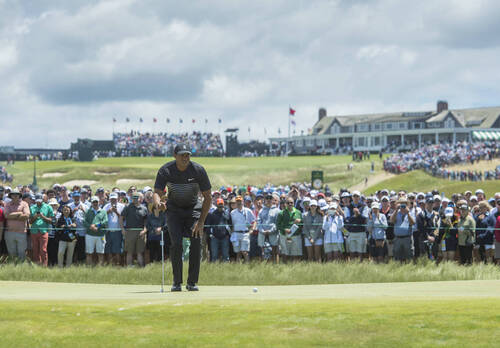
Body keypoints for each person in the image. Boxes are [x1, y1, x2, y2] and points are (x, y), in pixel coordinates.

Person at [153, 143, 212, 292]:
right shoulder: (166, 170)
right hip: (174, 210)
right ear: (175, 156)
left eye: (188, 155)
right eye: (182, 155)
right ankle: (176, 282)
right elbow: (157, 192)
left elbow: (208, 197)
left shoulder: (198, 170)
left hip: (193, 209)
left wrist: (201, 222)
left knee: (196, 242)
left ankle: (191, 282)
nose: (185, 158)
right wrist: (158, 203)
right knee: (176, 244)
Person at [120, 192, 148, 267]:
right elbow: (121, 217)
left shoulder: (144, 208)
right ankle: (129, 267)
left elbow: (146, 221)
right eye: (134, 198)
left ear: (140, 199)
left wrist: (145, 229)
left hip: (141, 232)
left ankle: (141, 268)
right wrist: (122, 229)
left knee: (140, 252)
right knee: (129, 252)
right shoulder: (128, 207)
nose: (135, 199)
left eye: (136, 198)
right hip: (130, 231)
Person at [4, 189, 30, 261]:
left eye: (17, 194)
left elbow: (26, 216)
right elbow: (6, 216)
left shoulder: (24, 204)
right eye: (13, 194)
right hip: (9, 232)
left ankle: (20, 267)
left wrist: (12, 215)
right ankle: (12, 267)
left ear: (19, 195)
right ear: (11, 196)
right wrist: (19, 213)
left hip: (21, 232)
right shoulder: (7, 204)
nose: (15, 195)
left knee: (22, 253)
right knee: (11, 253)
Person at [29, 193, 54, 266]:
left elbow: (51, 220)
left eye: (40, 200)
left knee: (43, 250)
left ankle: (44, 265)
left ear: (43, 199)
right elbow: (30, 221)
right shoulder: (32, 207)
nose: (38, 202)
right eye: (37, 201)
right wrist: (35, 216)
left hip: (44, 231)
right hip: (34, 231)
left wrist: (43, 217)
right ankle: (37, 265)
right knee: (35, 250)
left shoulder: (48, 207)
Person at [230, 195, 256, 263]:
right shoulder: (232, 212)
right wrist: (231, 232)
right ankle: (239, 267)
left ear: (243, 202)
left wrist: (252, 229)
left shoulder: (248, 211)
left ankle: (247, 265)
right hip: (236, 234)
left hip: (245, 233)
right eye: (237, 201)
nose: (239, 202)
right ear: (236, 202)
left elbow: (254, 221)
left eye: (240, 201)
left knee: (244, 252)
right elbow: (230, 224)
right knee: (238, 252)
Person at [83, 196, 108, 266]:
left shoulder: (103, 211)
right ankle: (89, 267)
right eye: (93, 202)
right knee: (89, 253)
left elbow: (105, 221)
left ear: (99, 202)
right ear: (91, 203)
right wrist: (90, 226)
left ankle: (100, 268)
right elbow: (84, 221)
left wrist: (97, 226)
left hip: (100, 235)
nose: (95, 203)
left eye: (96, 202)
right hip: (89, 235)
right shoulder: (88, 211)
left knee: (100, 253)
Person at [276, 196, 302, 262]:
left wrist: (300, 221)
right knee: (285, 253)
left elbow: (302, 224)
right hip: (285, 235)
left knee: (295, 253)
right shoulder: (281, 213)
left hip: (296, 235)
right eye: (288, 203)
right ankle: (285, 267)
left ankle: (294, 267)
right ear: (285, 204)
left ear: (294, 203)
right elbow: (277, 225)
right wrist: (284, 229)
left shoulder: (298, 212)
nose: (290, 204)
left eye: (291, 202)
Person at [257, 193, 280, 263]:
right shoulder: (261, 210)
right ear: (265, 200)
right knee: (263, 252)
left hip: (273, 234)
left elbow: (277, 223)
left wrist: (270, 231)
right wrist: (262, 231)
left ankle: (275, 266)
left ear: (273, 200)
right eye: (267, 198)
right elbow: (258, 222)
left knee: (274, 252)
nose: (269, 200)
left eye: (270, 198)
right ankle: (265, 266)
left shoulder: (277, 210)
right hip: (263, 234)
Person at [390, 197, 415, 262]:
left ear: (407, 205)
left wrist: (408, 213)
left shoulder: (410, 212)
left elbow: (412, 223)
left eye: (404, 204)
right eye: (401, 204)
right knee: (397, 256)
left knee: (409, 256)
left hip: (407, 238)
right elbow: (392, 221)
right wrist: (396, 210)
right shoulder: (396, 212)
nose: (402, 205)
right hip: (397, 238)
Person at [104, 192, 125, 265]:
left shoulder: (122, 206)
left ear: (118, 199)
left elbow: (124, 218)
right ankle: (110, 264)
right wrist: (108, 211)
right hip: (108, 231)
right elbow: (102, 216)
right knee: (108, 249)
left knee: (117, 250)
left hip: (118, 231)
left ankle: (118, 264)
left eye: (115, 199)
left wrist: (116, 212)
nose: (113, 200)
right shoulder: (106, 206)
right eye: (112, 199)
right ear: (109, 199)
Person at [456, 201, 476, 265]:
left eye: (464, 210)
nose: (462, 211)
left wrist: (463, 230)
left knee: (469, 260)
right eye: (461, 210)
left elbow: (473, 232)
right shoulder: (459, 220)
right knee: (462, 260)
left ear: (467, 211)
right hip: (460, 242)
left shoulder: (470, 220)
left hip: (468, 242)